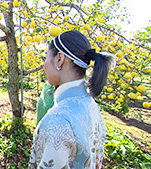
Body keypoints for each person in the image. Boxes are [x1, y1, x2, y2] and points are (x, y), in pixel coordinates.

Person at [29, 30, 115, 169]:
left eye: (46, 57)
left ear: (59, 59)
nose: (43, 65)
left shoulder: (57, 122)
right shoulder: (89, 104)